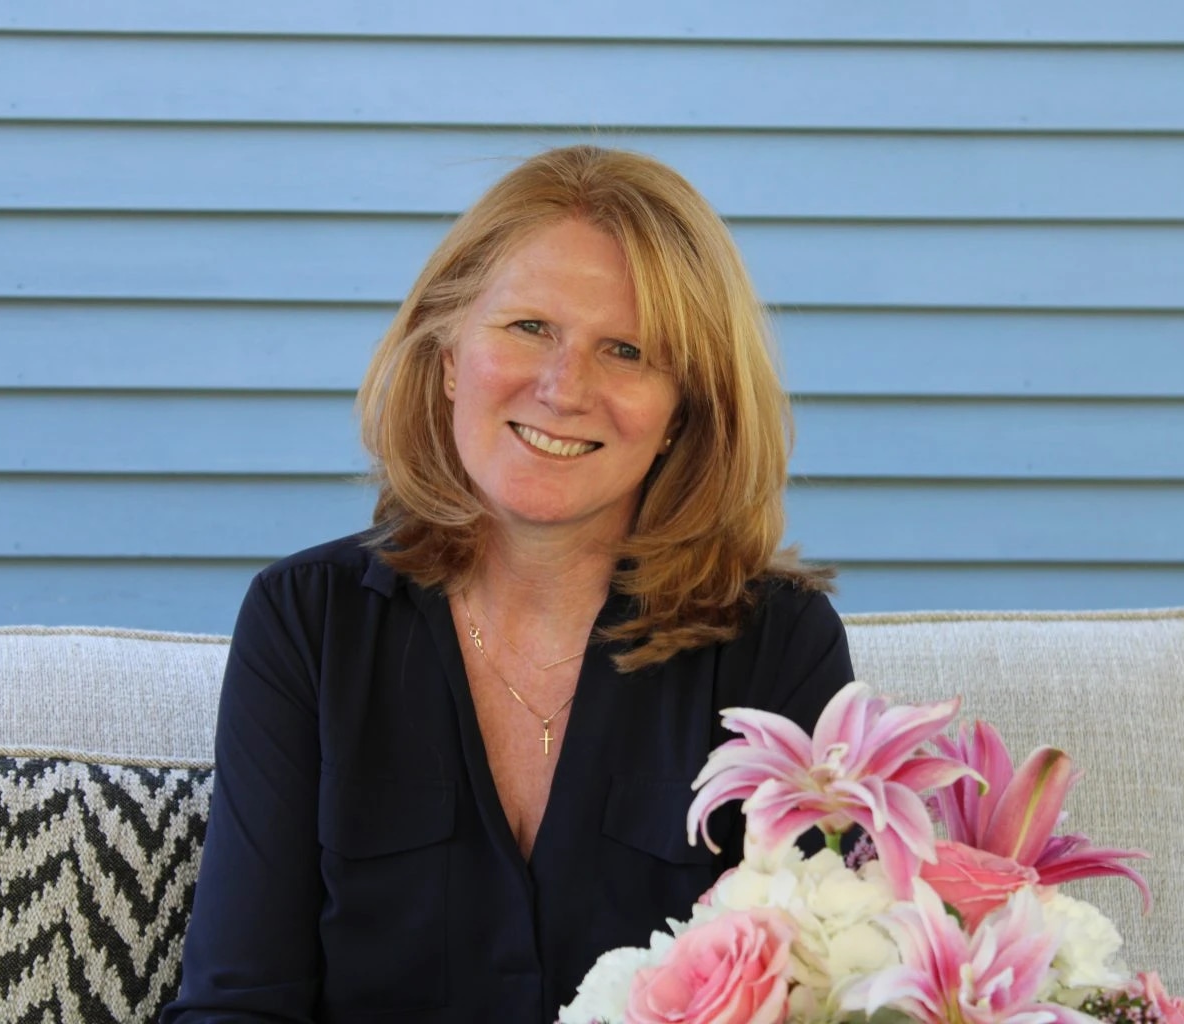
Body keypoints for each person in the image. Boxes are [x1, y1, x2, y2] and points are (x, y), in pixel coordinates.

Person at [161, 145, 854, 1024]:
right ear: (449, 353)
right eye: (529, 327)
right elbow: (238, 1004)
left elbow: (829, 985)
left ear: (683, 410)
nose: (565, 388)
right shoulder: (308, 623)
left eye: (627, 350)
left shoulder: (778, 648)